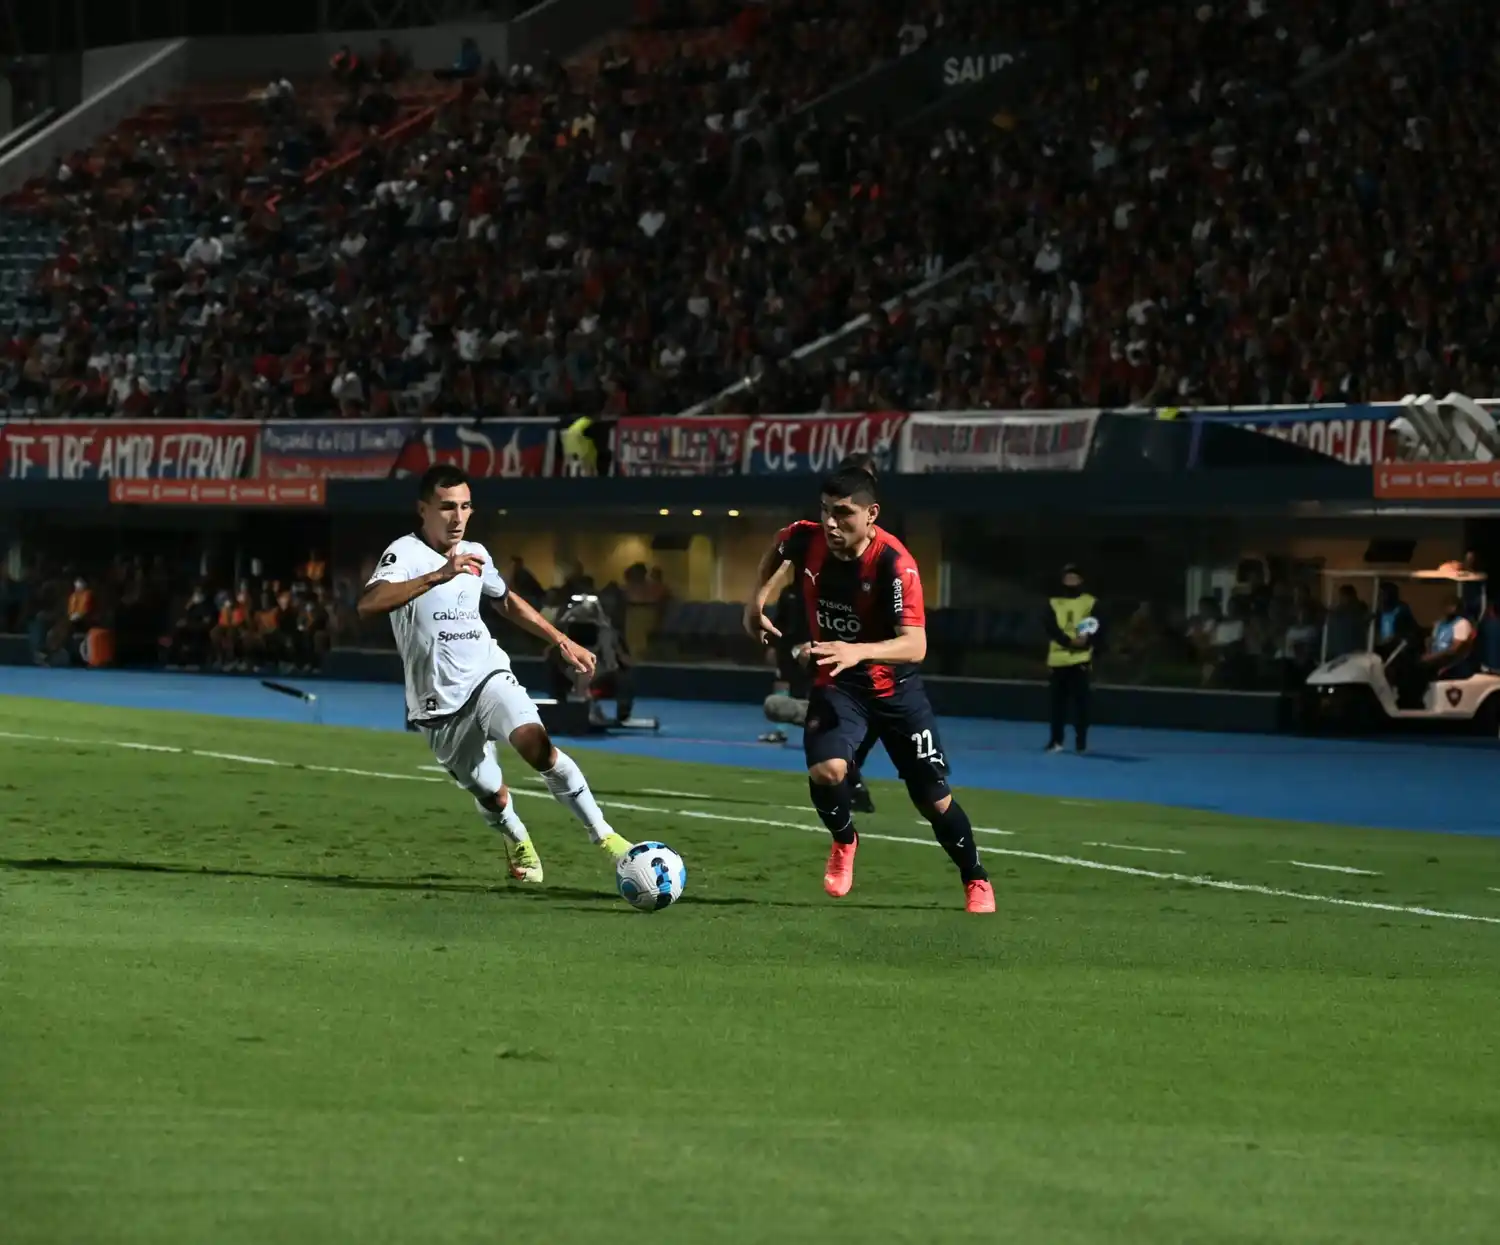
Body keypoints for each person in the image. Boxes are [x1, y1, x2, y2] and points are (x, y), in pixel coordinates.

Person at [357, 464, 631, 884]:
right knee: (491, 792)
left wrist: (561, 639)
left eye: (465, 506)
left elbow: (506, 601)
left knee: (537, 746)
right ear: (423, 509)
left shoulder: (477, 553)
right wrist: (437, 576)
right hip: (439, 706)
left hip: (487, 675)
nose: (458, 517)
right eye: (447, 507)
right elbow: (370, 603)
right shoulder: (405, 554)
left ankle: (608, 839)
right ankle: (517, 836)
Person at [744, 463, 995, 914]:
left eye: (843, 513)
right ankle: (845, 840)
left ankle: (975, 877)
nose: (831, 523)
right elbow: (777, 549)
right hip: (838, 684)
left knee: (933, 800)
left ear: (871, 514)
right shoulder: (807, 539)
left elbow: (915, 645)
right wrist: (754, 602)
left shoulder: (895, 564)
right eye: (825, 511)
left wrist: (859, 651)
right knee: (827, 771)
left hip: (896, 692)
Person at [1044, 564, 1097, 753]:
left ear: (1081, 580)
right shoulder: (1053, 602)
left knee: (1081, 703)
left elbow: (1097, 625)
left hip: (1080, 660)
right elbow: (1050, 627)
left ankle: (1080, 742)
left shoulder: (1090, 602)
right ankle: (1056, 741)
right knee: (1057, 704)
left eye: (1075, 576)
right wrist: (1068, 641)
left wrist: (1086, 639)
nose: (1071, 580)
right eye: (1067, 576)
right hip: (1058, 660)